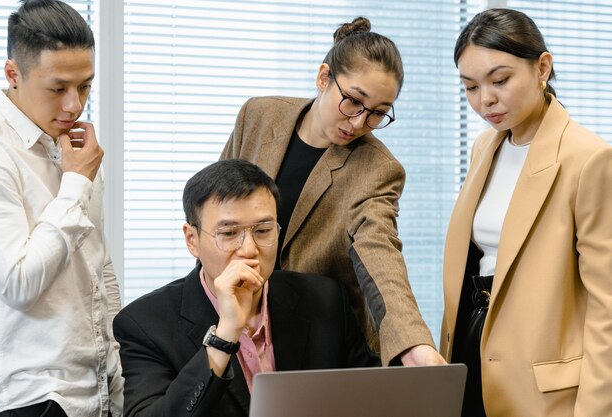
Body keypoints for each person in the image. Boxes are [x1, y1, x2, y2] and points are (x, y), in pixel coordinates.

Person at [221, 16, 443, 366]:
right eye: (354, 101)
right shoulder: (259, 116)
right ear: (324, 77)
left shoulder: (377, 167)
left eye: (378, 114)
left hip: (320, 336)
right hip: (240, 318)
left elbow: (379, 251)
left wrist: (414, 345)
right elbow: (215, 208)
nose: (359, 123)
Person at [439, 8, 612, 417]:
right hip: (471, 349)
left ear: (542, 68)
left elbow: (607, 306)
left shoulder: (588, 159)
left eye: (500, 80)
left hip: (541, 387)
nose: (486, 99)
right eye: (470, 87)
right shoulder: (486, 147)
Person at [113, 159, 379, 416]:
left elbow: (373, 397)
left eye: (263, 230)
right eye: (229, 234)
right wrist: (224, 335)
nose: (249, 250)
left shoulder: (325, 299)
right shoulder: (144, 324)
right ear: (192, 240)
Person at [0, 1, 123, 416]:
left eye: (85, 86)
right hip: (29, 398)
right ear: (14, 74)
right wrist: (77, 183)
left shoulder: (76, 147)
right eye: (58, 88)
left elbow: (99, 267)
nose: (74, 105)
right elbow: (17, 284)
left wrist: (121, 370)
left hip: (97, 391)